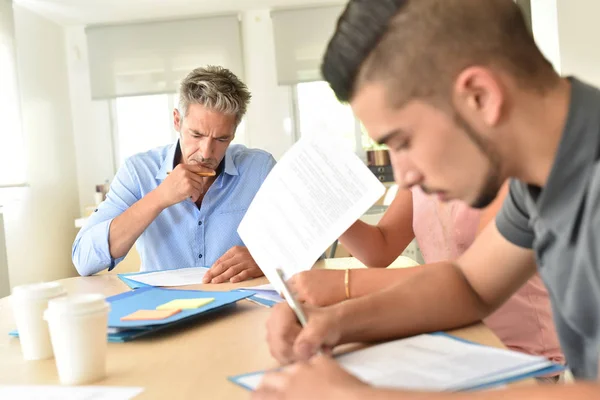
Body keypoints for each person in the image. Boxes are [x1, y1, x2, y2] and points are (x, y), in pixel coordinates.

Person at [256, 0, 600, 398]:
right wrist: (334, 321)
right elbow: (470, 284)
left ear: (480, 97)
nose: (404, 176)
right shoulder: (539, 175)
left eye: (403, 142)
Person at [287, 184, 564, 376]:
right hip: (452, 335)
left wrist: (343, 284)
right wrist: (326, 205)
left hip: (519, 352)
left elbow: (471, 275)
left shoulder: (501, 169)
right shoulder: (418, 169)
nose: (402, 173)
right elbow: (379, 249)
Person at [72, 66, 275, 284]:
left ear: (234, 132)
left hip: (240, 307)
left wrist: (266, 258)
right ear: (177, 121)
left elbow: (308, 243)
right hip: (164, 309)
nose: (206, 152)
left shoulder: (260, 169)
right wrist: (159, 198)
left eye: (221, 139)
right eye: (196, 134)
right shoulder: (138, 172)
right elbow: (84, 259)